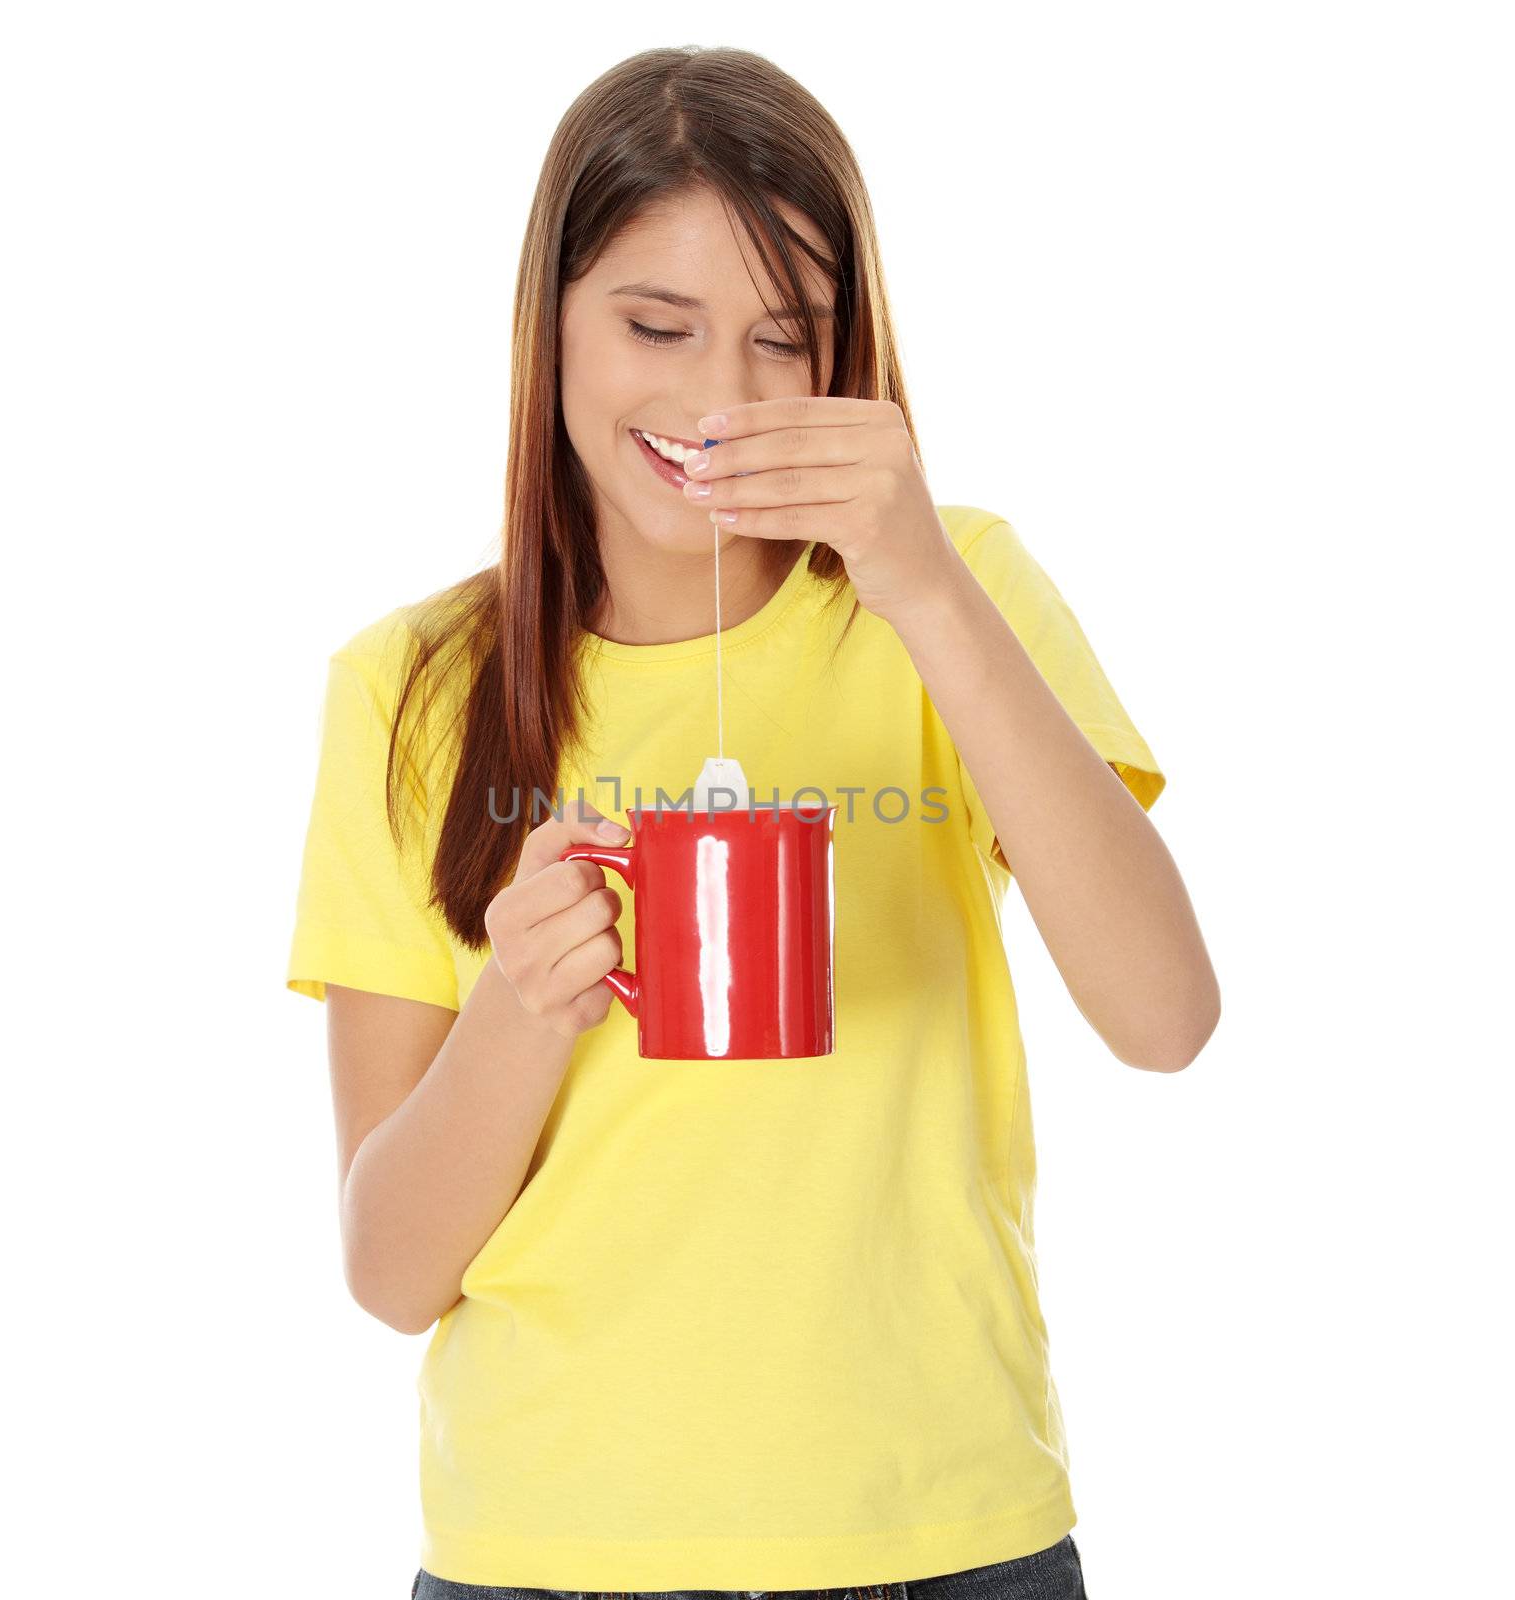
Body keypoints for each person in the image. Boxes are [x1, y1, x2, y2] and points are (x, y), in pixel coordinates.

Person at [286, 44, 1218, 1600]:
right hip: (547, 1552)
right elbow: (390, 1273)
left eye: (785, 340)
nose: (720, 398)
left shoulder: (954, 589)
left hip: (942, 1538)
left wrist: (919, 580)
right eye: (658, 326)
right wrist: (523, 1004)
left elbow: (1167, 1017)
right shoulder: (410, 688)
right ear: (552, 326)